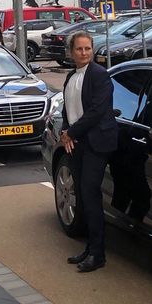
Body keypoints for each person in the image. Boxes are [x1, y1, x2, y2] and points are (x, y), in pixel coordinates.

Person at [60, 31, 118, 273]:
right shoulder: (71, 76)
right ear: (72, 52)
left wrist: (70, 133)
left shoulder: (100, 75)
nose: (84, 53)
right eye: (79, 49)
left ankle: (98, 254)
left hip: (96, 142)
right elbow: (67, 109)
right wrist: (66, 131)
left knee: (91, 195)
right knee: (82, 197)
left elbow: (96, 111)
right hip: (77, 142)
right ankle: (89, 248)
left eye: (87, 48)